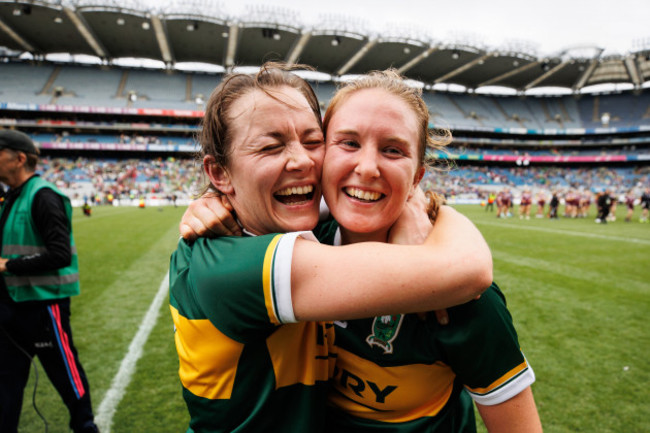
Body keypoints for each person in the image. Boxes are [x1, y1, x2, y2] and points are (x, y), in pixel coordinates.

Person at [182, 69, 540, 432]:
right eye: (348, 143)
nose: (367, 168)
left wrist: (433, 209)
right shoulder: (289, 248)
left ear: (417, 176)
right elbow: (467, 266)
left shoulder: (459, 299)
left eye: (393, 150)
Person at [0, 130, 98, 433]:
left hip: (44, 308)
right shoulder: (10, 197)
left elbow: (60, 255)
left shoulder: (43, 196)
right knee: (5, 383)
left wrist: (9, 265)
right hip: (11, 309)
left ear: (19, 158)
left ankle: (85, 427)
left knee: (66, 375)